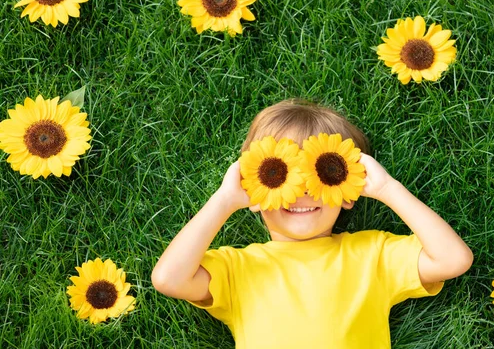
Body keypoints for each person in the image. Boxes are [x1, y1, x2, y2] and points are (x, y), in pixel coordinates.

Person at [152, 99, 473, 348]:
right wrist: (224, 200)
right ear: (251, 188)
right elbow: (169, 278)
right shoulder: (236, 267)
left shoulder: (373, 254)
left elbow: (453, 259)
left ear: (351, 189)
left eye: (322, 173)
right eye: (280, 175)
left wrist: (388, 189)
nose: (303, 192)